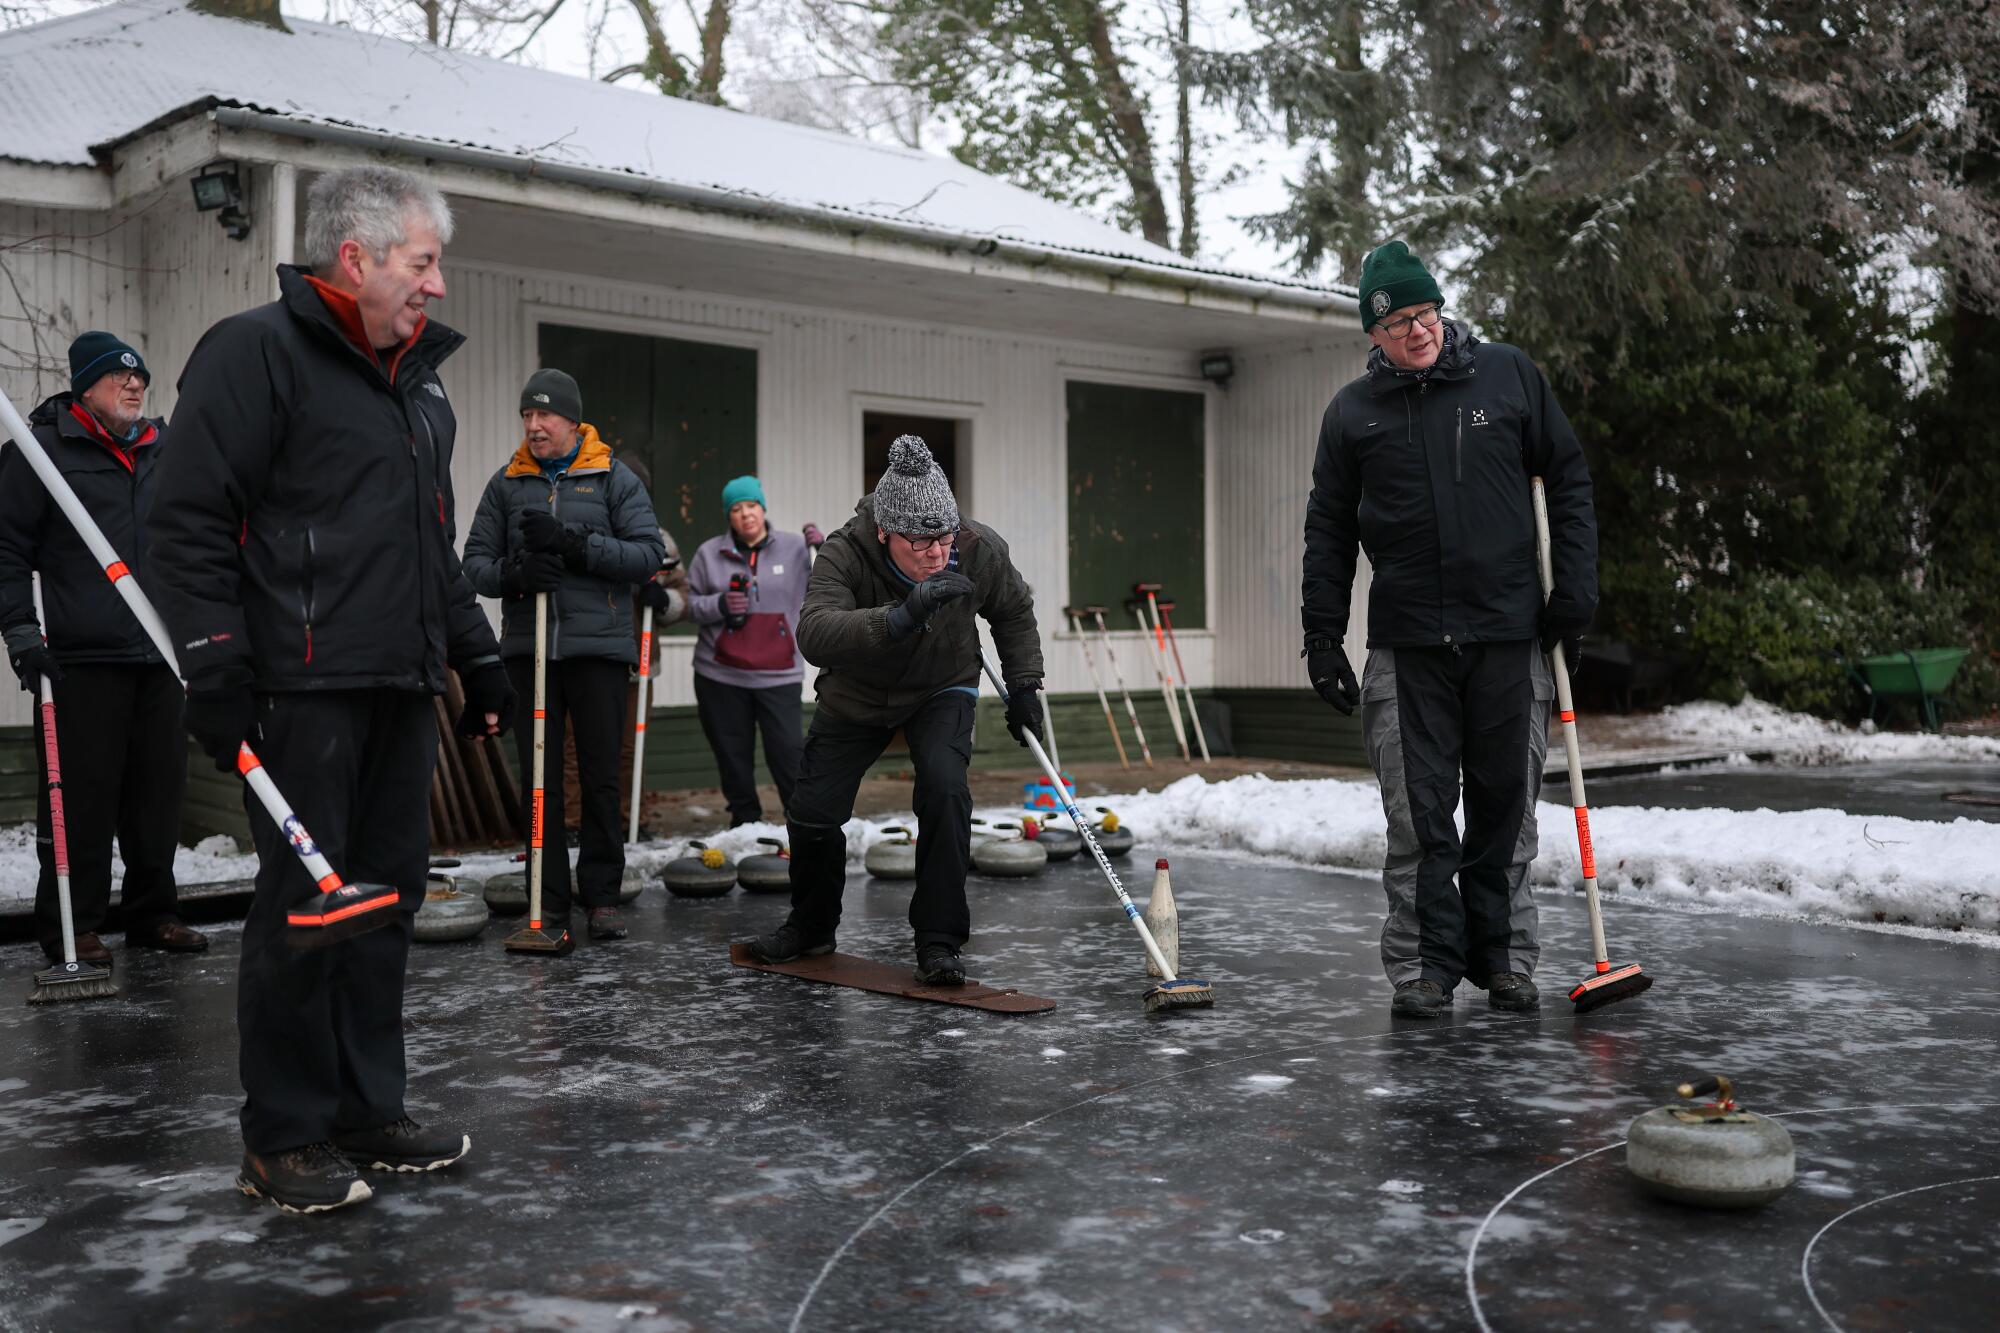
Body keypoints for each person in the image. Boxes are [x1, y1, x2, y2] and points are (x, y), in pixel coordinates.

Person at [146, 165, 515, 1213]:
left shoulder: (418, 387)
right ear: (355, 259)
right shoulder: (254, 354)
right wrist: (213, 660)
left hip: (400, 683)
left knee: (383, 904)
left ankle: (366, 1107)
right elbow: (185, 521)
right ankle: (285, 1135)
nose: (437, 287)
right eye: (423, 262)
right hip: (297, 687)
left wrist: (473, 653)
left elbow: (430, 543)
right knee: (307, 909)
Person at [1300, 240, 1597, 1020]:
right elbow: (1327, 531)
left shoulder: (1507, 376)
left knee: (1506, 810)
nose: (1417, 331)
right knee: (1419, 818)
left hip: (1508, 633)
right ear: (1373, 334)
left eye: (1424, 313)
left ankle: (1503, 958)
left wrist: (1574, 590)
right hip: (1408, 645)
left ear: (1441, 309)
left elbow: (1565, 479)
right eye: (1396, 322)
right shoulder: (1352, 414)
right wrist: (1322, 636)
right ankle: (1426, 967)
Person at [743, 436, 1043, 984]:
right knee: (812, 810)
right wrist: (900, 615)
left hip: (943, 684)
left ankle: (939, 940)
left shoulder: (977, 549)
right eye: (921, 542)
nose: (937, 552)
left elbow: (1014, 613)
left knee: (945, 787)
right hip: (858, 691)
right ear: (885, 532)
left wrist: (1025, 686)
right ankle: (811, 926)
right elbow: (814, 632)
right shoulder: (846, 551)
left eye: (944, 538)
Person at [0, 332, 208, 966]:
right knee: (80, 801)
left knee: (157, 798)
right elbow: (6, 550)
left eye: (140, 378)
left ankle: (153, 914)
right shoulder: (39, 453)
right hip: (79, 660)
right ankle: (74, 924)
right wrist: (20, 635)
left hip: (161, 659)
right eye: (120, 378)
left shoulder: (164, 453)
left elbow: (194, 542)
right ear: (84, 386)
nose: (134, 386)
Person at [462, 369, 665, 946]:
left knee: (601, 778)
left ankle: (600, 896)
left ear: (573, 421)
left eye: (544, 416)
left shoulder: (612, 480)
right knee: (541, 781)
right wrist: (515, 573)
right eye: (527, 416)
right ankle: (545, 899)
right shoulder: (507, 484)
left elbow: (646, 554)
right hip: (530, 654)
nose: (533, 426)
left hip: (598, 650)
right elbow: (473, 562)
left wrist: (576, 546)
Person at [685, 475, 820, 827]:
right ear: (728, 516)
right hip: (720, 674)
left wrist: (824, 550)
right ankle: (744, 824)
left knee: (789, 753)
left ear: (763, 508)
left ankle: (801, 822)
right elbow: (689, 606)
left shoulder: (793, 548)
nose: (746, 514)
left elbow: (827, 588)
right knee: (733, 756)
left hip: (779, 672)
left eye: (752, 506)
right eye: (737, 508)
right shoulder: (708, 553)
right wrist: (719, 604)